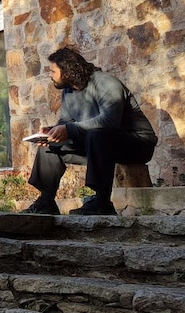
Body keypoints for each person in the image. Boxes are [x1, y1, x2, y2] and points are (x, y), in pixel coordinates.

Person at [23, 47, 157, 216]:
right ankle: (46, 201)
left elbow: (109, 121)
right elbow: (66, 122)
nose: (50, 75)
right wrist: (52, 132)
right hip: (96, 144)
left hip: (137, 143)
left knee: (98, 134)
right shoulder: (68, 91)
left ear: (67, 70)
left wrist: (69, 129)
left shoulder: (106, 83)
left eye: (53, 71)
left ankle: (102, 202)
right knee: (49, 146)